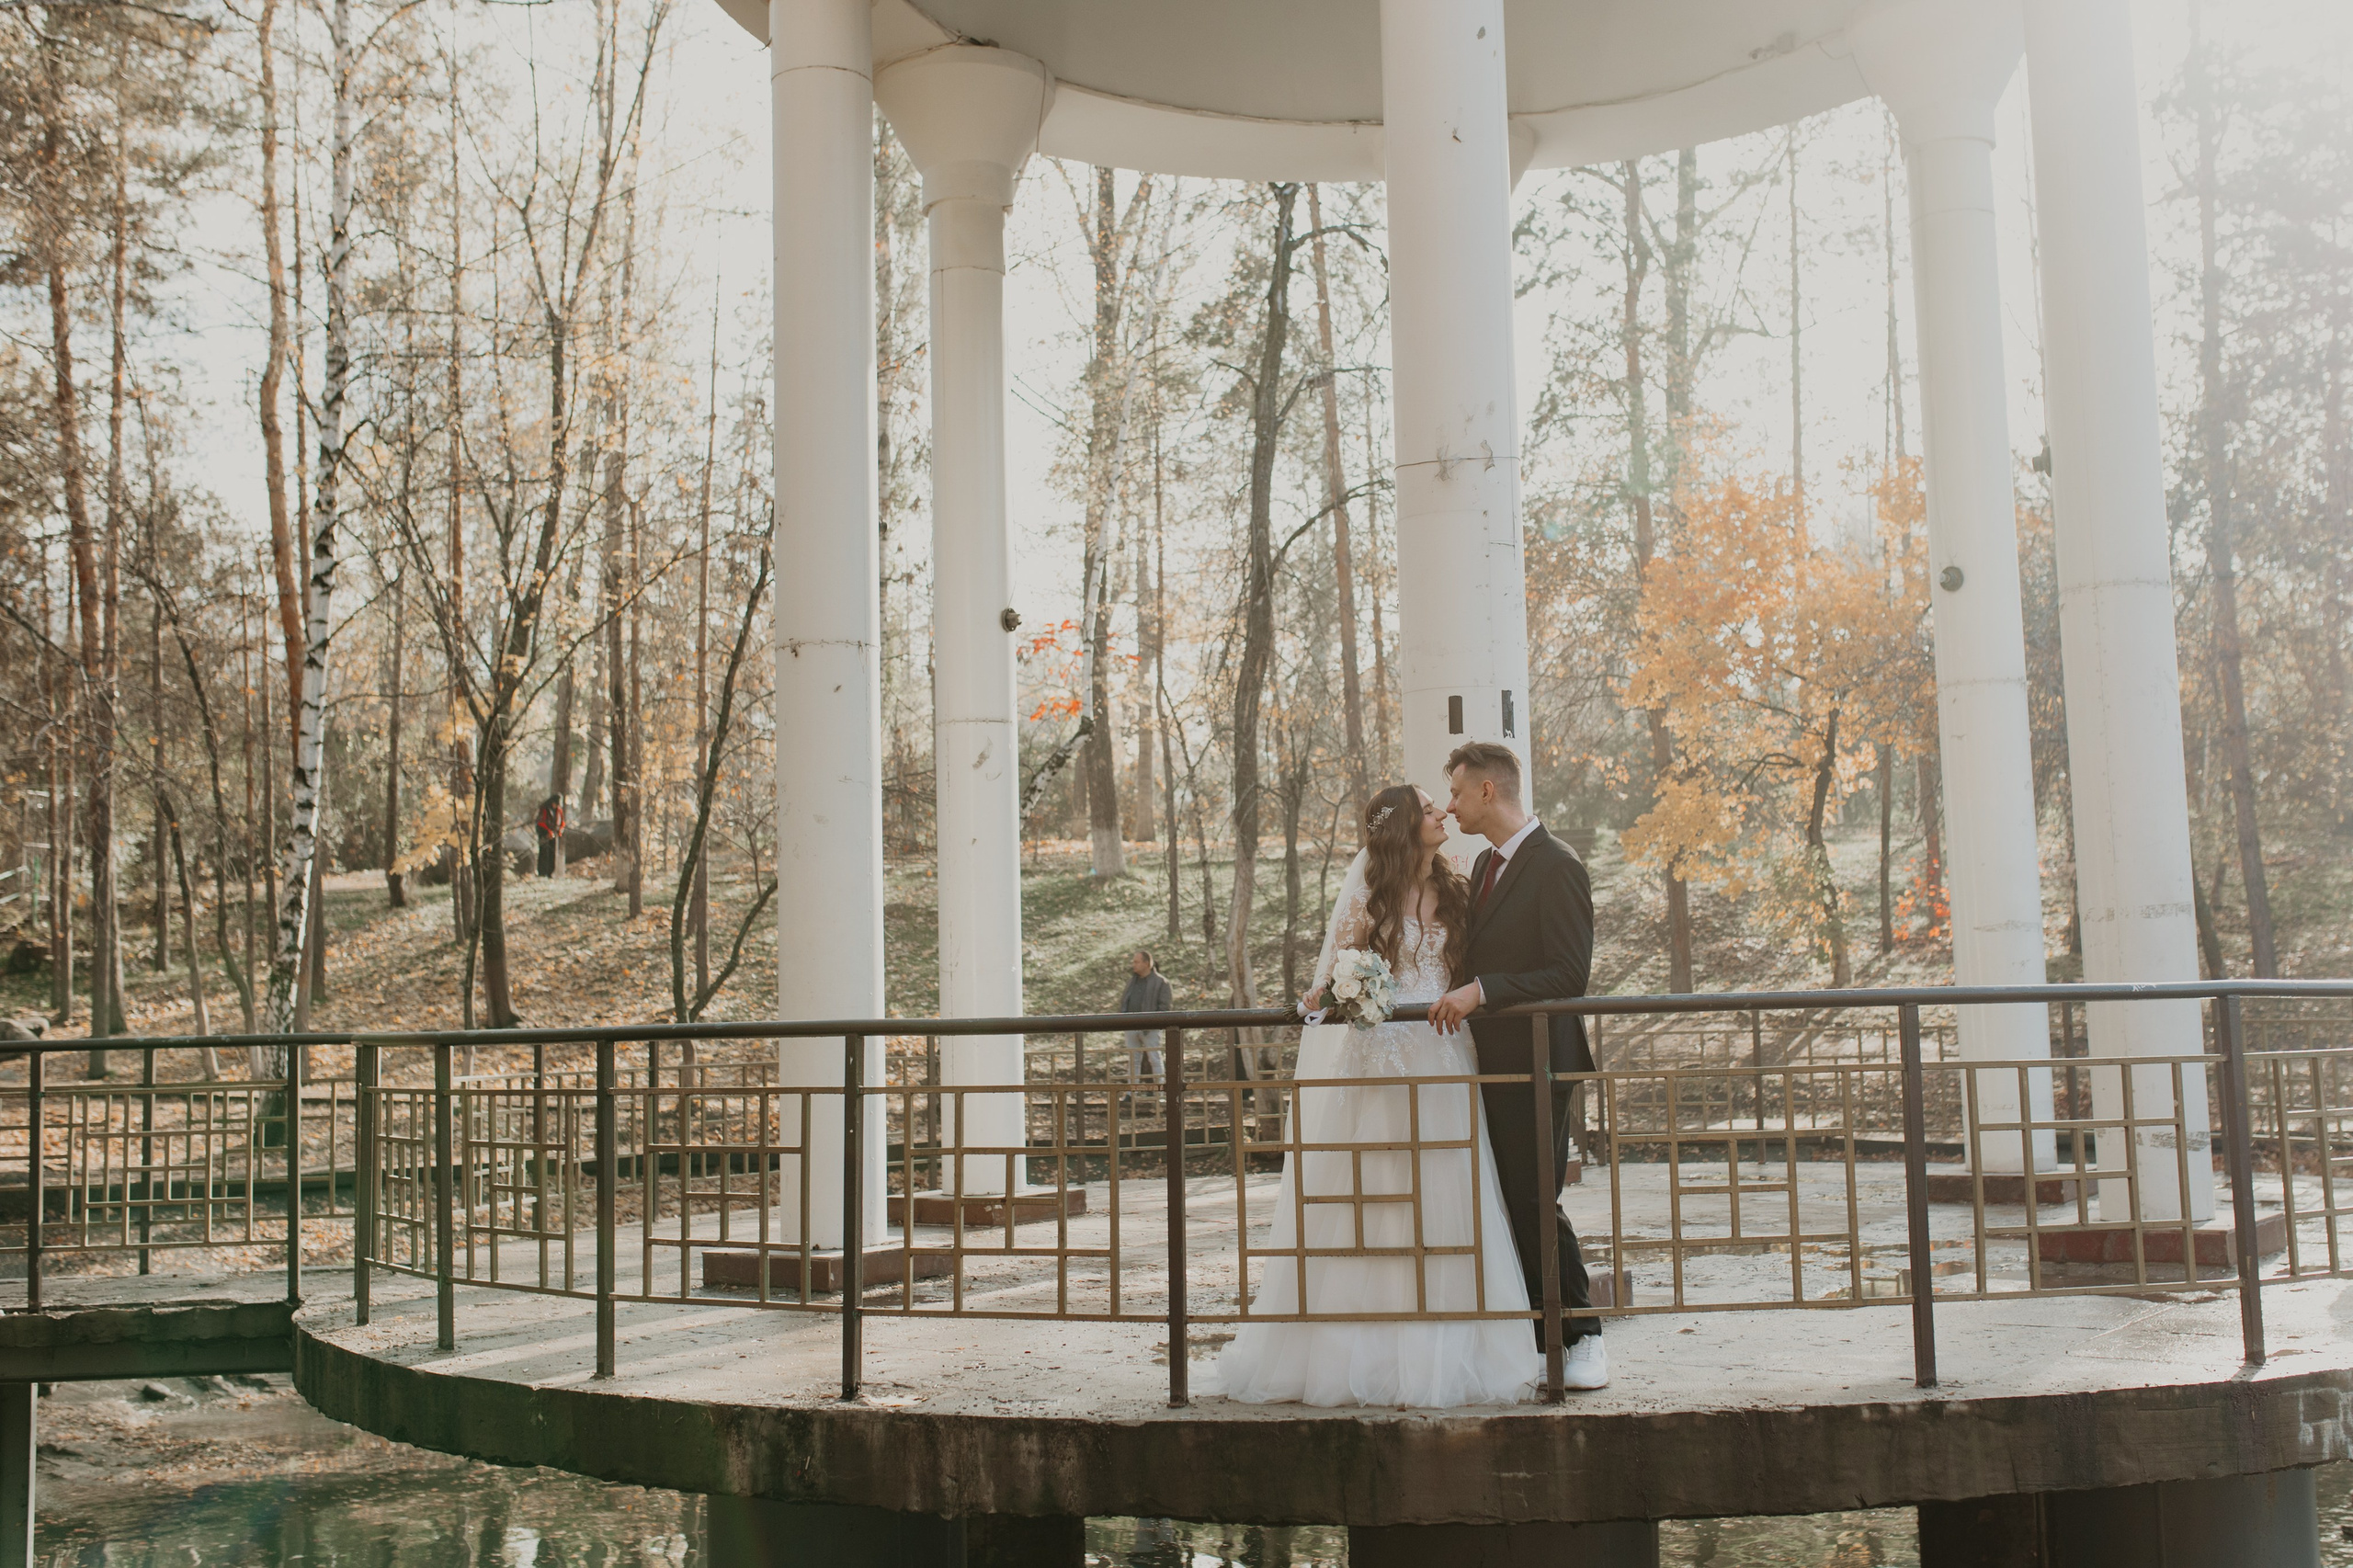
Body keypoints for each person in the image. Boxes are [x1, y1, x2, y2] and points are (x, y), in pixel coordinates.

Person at [1214, 783, 1536, 1408]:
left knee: (1446, 1188)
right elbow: (1337, 970)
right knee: (1376, 1188)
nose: (1443, 812)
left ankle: (1443, 1353)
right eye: (1430, 808)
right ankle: (1358, 1353)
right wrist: (1327, 996)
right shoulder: (1373, 889)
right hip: (1381, 1059)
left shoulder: (1457, 888)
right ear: (1406, 825)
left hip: (1443, 1057)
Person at [1428, 741, 1608, 1391]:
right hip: (1489, 1060)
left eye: (1454, 792)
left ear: (1485, 791)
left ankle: (1582, 1335)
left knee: (1537, 1196)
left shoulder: (1558, 866)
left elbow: (1569, 974)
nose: (1449, 806)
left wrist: (1485, 991)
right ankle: (1538, 1331)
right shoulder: (1481, 867)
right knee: (1508, 1199)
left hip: (1541, 1059)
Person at [1119, 950, 1173, 1082]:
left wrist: (1155, 1022)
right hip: (1130, 1024)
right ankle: (1131, 1092)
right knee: (1133, 1060)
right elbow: (1125, 1000)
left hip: (1151, 1027)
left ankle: (1161, 1091)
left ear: (1146, 963)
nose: (1133, 965)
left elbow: (1165, 1006)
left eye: (1137, 962)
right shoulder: (1132, 981)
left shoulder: (1161, 982)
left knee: (1155, 1058)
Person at [533, 793, 564, 880]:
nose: (556, 806)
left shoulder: (559, 810)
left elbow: (562, 822)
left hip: (554, 833)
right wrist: (547, 831)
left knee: (552, 852)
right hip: (544, 832)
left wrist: (560, 830)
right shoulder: (544, 809)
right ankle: (542, 873)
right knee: (544, 852)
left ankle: (550, 873)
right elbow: (540, 822)